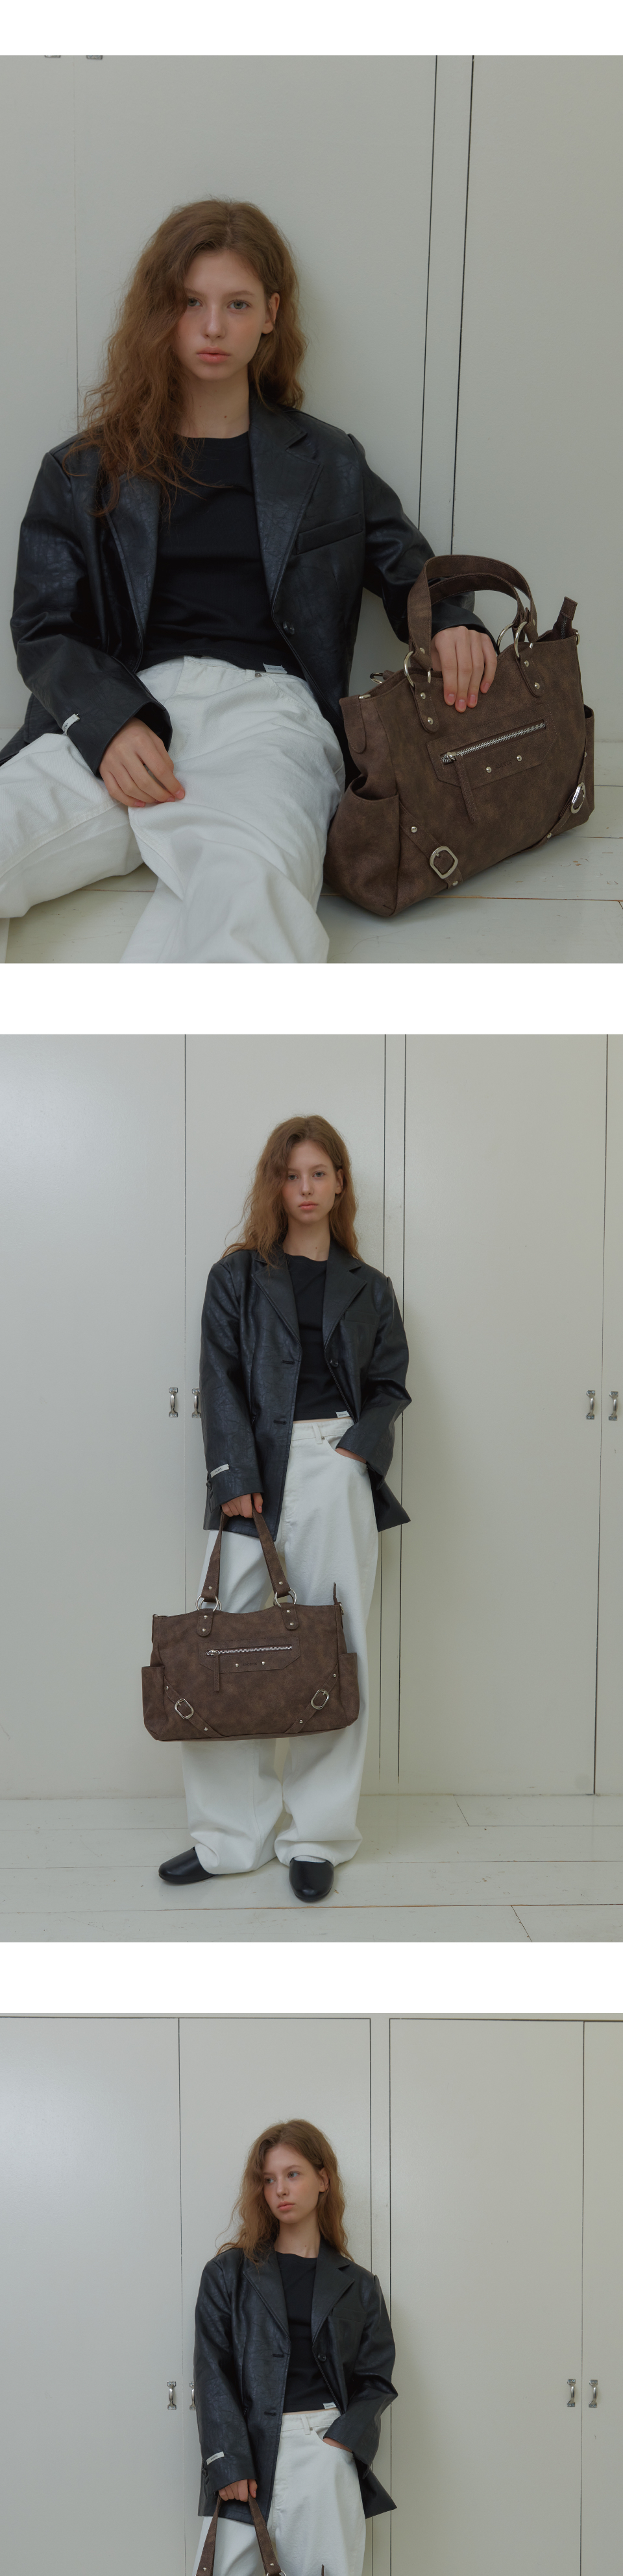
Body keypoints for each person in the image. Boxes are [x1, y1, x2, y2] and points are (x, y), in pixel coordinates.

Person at [0, 197, 498, 964]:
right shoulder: (80, 470)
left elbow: (407, 566)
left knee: (251, 902)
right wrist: (108, 724)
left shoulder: (328, 461)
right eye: (190, 303)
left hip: (271, 720)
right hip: (125, 706)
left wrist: (455, 621)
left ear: (270, 314)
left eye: (236, 304)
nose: (212, 327)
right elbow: (44, 625)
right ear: (160, 312)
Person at [159, 1113, 410, 1902]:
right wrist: (233, 1470)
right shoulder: (236, 1275)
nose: (305, 1188)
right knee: (220, 1648)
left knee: (337, 1646)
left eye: (318, 1173)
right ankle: (228, 1837)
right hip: (253, 1472)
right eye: (291, 1174)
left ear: (339, 1184)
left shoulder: (371, 1288)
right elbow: (221, 1376)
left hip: (336, 1466)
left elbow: (390, 1385)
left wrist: (354, 1451)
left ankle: (318, 1836)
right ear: (276, 1184)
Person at [164, 2118, 396, 2576]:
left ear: (323, 2178)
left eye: (293, 2173)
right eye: (268, 2178)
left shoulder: (359, 2285)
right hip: (245, 2460)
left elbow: (376, 2380)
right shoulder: (230, 2272)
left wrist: (340, 2444)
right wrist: (228, 2457)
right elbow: (213, 2368)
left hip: (323, 2455)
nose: (280, 2189)